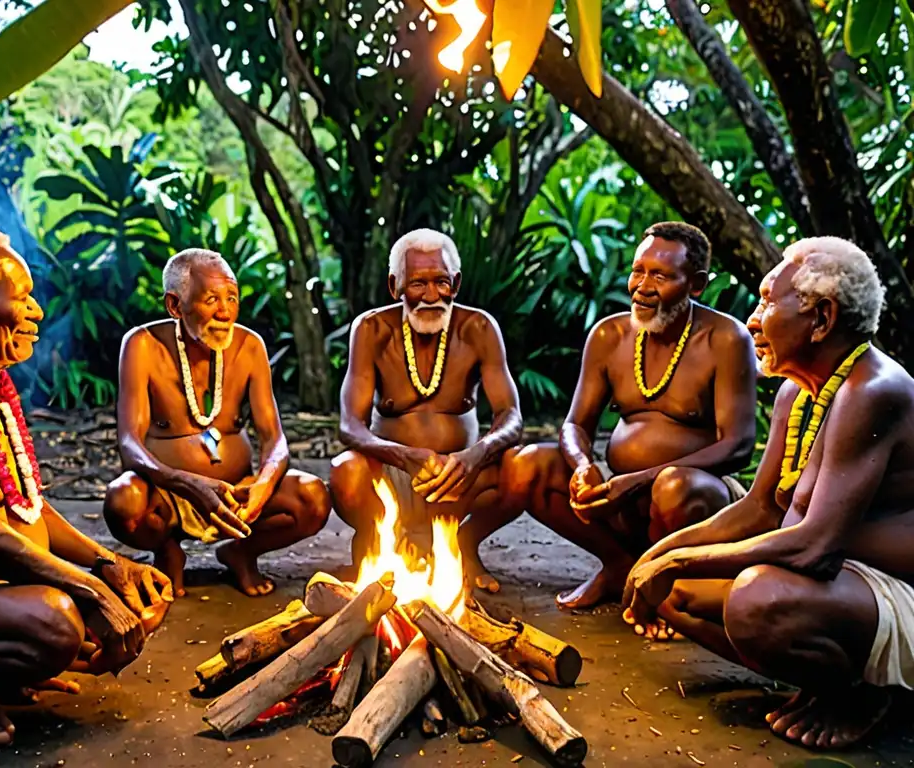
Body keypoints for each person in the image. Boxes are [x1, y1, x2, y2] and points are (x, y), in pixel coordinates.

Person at [623, 236, 914, 749]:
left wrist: (678, 560)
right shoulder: (796, 391)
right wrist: (659, 556)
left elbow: (815, 548)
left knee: (756, 600)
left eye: (766, 303)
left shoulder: (871, 390)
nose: (753, 321)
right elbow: (759, 508)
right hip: (840, 588)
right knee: (671, 593)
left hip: (896, 593)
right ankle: (823, 681)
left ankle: (867, 695)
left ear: (821, 319)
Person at [0, 227, 172, 750]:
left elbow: (23, 506)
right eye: (20, 298)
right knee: (57, 622)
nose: (36, 311)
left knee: (138, 598)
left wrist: (109, 564)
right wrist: (89, 589)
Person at [466, 222, 757, 604]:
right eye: (638, 271)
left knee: (673, 488)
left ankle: (663, 589)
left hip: (693, 502)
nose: (642, 286)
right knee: (529, 465)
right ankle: (620, 566)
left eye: (660, 276)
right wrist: (582, 464)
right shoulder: (610, 336)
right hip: (621, 499)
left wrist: (640, 480)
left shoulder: (726, 339)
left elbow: (738, 445)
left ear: (697, 284)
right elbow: (575, 425)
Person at [104, 249, 331, 598]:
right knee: (124, 501)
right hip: (169, 496)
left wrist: (263, 485)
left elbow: (275, 440)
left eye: (232, 298)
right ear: (175, 306)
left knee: (312, 498)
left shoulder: (249, 346)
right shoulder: (142, 345)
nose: (225, 311)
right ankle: (167, 550)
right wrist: (185, 482)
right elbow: (130, 444)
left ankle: (241, 551)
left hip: (238, 494)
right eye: (211, 299)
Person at [330, 228, 522, 581]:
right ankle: (378, 547)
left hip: (461, 475)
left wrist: (475, 455)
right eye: (418, 283)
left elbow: (510, 416)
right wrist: (403, 456)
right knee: (346, 471)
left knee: (524, 467)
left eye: (442, 282)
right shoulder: (371, 329)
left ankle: (463, 546)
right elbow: (350, 425)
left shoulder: (478, 328)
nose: (432, 295)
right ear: (395, 286)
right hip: (393, 472)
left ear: (456, 283)